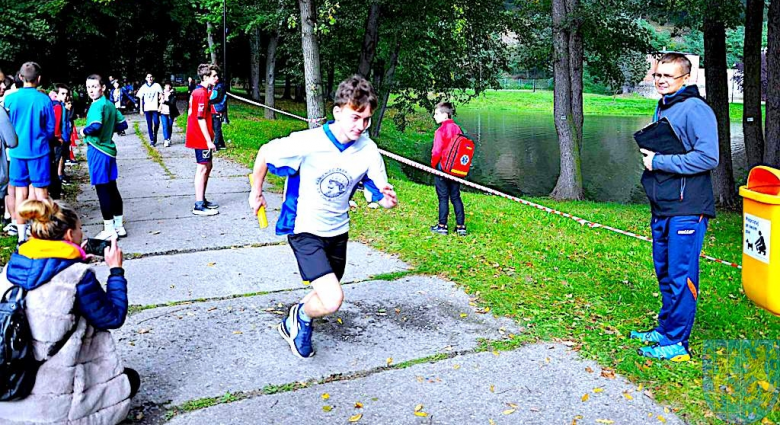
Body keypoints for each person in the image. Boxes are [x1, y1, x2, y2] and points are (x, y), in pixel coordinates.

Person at [248, 75, 398, 359]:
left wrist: (388, 200)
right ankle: (302, 318)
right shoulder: (309, 142)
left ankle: (297, 316)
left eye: (366, 119)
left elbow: (379, 194)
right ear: (338, 111)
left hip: (338, 231)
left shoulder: (368, 150)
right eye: (355, 117)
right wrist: (256, 192)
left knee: (327, 291)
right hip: (305, 229)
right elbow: (265, 153)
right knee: (333, 298)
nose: (361, 126)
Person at [0, 199, 138, 424]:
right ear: (68, 235)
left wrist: (74, 257)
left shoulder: (10, 270)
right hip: (56, 406)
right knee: (129, 381)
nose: (82, 234)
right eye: (80, 229)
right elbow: (113, 316)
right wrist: (116, 271)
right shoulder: (76, 278)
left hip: (8, 392)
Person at [630, 52, 719, 362]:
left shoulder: (696, 109)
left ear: (686, 78)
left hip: (688, 207)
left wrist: (659, 161)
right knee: (665, 271)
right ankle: (666, 330)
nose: (661, 80)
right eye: (658, 75)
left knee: (682, 275)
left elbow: (709, 158)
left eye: (668, 76)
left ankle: (678, 343)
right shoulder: (665, 105)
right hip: (665, 205)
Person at [4, 62, 55, 244]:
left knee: (20, 193)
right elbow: (50, 129)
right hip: (39, 152)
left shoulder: (10, 99)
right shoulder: (44, 100)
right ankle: (45, 232)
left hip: (17, 153)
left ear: (20, 78)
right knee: (42, 194)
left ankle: (21, 236)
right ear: (39, 79)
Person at [83, 74, 129, 239]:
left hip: (97, 150)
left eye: (94, 87)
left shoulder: (96, 106)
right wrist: (109, 130)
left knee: (102, 190)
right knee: (112, 188)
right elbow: (123, 124)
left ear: (102, 87)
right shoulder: (109, 104)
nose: (91, 90)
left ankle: (108, 229)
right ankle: (119, 226)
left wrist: (83, 131)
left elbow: (95, 125)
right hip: (109, 151)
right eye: (88, 87)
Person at [186, 64, 220, 216]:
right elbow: (200, 118)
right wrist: (208, 141)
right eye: (214, 76)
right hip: (200, 137)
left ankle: (203, 199)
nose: (217, 78)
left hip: (203, 136)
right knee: (202, 168)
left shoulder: (204, 91)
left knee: (208, 165)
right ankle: (198, 204)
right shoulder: (200, 93)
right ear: (205, 77)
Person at [429, 102, 467, 236]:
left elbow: (436, 152)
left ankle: (442, 226)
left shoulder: (440, 131)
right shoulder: (458, 129)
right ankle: (461, 227)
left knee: (443, 197)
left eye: (437, 114)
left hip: (442, 167)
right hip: (456, 169)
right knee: (456, 196)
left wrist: (434, 166)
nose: (434, 116)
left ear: (445, 115)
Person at [136, 73, 163, 146]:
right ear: (146, 78)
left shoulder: (157, 85)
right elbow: (141, 98)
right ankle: (152, 139)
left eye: (151, 77)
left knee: (156, 122)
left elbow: (161, 94)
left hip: (155, 107)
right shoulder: (144, 87)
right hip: (147, 108)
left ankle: (155, 134)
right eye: (148, 77)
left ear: (153, 78)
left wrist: (160, 100)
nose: (150, 78)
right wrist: (141, 109)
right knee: (149, 124)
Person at [209, 70, 227, 150]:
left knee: (217, 127)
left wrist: (209, 102)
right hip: (212, 109)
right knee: (215, 127)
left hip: (217, 109)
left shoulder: (220, 86)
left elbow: (219, 98)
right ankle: (222, 144)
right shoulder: (213, 86)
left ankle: (216, 144)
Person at [159, 82, 179, 147]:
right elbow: (158, 101)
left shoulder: (173, 94)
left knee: (169, 126)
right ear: (164, 87)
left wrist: (164, 101)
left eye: (169, 86)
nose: (168, 87)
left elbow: (172, 103)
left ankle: (169, 138)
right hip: (163, 112)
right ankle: (166, 139)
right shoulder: (161, 93)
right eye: (166, 86)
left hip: (171, 112)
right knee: (165, 126)